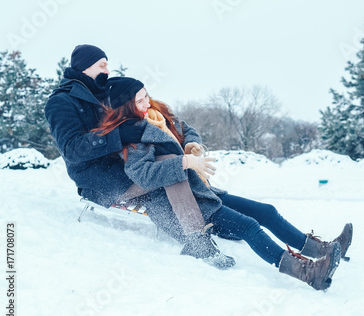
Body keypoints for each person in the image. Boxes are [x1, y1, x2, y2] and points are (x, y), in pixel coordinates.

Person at [93, 76, 354, 290]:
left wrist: (191, 144)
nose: (147, 101)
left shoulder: (157, 115)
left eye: (146, 94)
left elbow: (184, 128)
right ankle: (308, 273)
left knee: (267, 212)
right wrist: (184, 163)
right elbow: (144, 175)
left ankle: (323, 250)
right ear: (126, 106)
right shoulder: (133, 136)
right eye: (140, 100)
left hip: (201, 190)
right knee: (249, 227)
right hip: (184, 204)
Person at [44, 45, 234, 269]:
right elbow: (72, 149)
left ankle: (223, 227)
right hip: (99, 178)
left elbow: (169, 121)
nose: (107, 70)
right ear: (84, 68)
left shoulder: (107, 93)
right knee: (168, 172)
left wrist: (182, 141)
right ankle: (198, 242)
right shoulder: (60, 102)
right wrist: (117, 135)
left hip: (130, 164)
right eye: (101, 65)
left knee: (169, 170)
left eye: (107, 64)